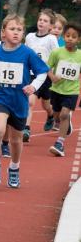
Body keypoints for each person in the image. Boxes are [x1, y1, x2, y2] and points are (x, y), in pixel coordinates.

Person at [0, 14, 49, 188]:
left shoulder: (27, 53)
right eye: (12, 29)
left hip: (19, 100)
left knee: (16, 140)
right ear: (3, 33)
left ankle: (14, 167)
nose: (16, 33)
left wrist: (33, 86)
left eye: (19, 30)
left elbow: (42, 72)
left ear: (23, 33)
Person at [22, 8, 58, 142]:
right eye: (40, 20)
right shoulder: (30, 37)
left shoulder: (51, 39)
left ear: (50, 26)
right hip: (32, 75)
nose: (41, 22)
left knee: (46, 105)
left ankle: (50, 115)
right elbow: (25, 53)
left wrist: (54, 74)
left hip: (46, 76)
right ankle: (26, 129)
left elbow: (57, 57)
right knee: (30, 101)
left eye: (45, 21)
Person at [47, 22, 81, 157]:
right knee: (57, 115)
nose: (70, 39)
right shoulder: (57, 52)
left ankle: (59, 143)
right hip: (56, 90)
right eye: (67, 36)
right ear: (63, 36)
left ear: (78, 39)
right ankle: (63, 125)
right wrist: (52, 77)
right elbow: (47, 67)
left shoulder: (80, 55)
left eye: (74, 37)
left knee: (65, 114)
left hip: (71, 91)